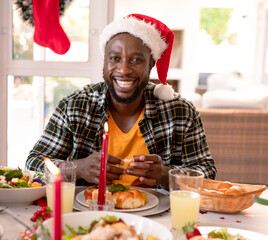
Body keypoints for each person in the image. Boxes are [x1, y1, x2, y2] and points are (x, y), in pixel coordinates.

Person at [26, 14, 216, 188]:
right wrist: (77, 167)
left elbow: (207, 174)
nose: (123, 69)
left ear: (151, 63)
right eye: (115, 58)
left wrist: (167, 175)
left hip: (159, 219)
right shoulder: (75, 106)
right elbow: (33, 164)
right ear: (105, 61)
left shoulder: (181, 111)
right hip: (86, 213)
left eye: (136, 60)